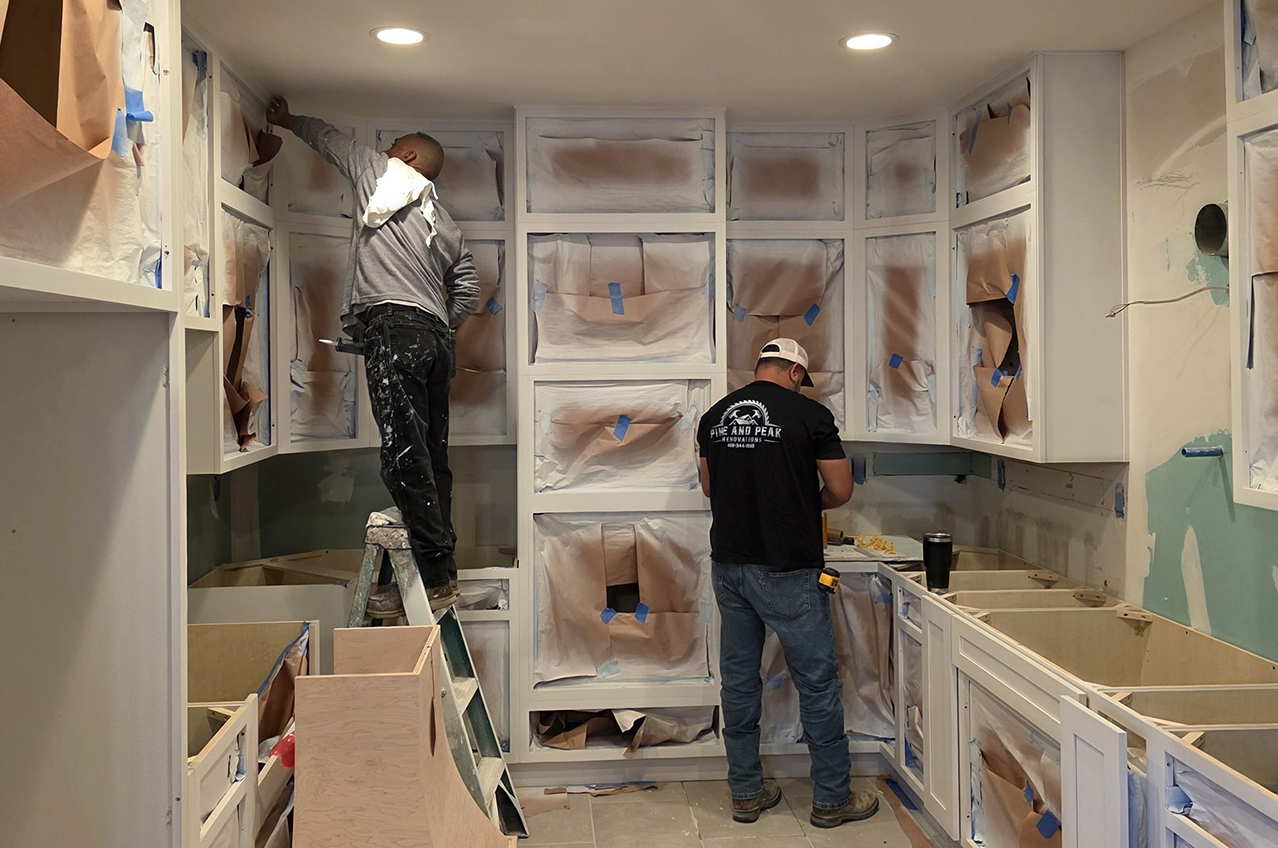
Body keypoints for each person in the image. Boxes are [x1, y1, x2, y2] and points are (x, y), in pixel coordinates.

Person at [267, 97, 479, 610]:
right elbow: (468, 293)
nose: (383, 151)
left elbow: (330, 140)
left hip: (397, 329)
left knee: (404, 454)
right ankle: (443, 571)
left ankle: (433, 579)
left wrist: (288, 119)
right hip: (434, 339)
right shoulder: (445, 225)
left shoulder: (381, 173)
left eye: (392, 146)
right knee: (432, 455)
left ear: (408, 156)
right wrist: (434, 321)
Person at [696, 338, 878, 828]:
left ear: (760, 367)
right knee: (816, 684)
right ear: (796, 372)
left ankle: (746, 792)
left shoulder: (714, 417)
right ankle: (832, 798)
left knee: (739, 681)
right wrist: (801, 502)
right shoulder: (810, 416)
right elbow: (840, 488)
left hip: (729, 566)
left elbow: (711, 487)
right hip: (789, 570)